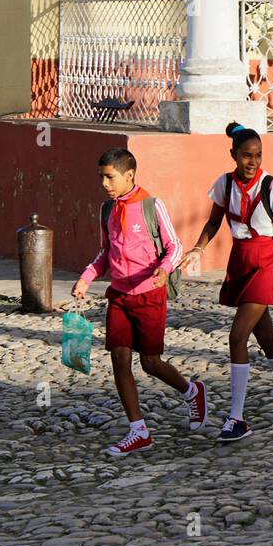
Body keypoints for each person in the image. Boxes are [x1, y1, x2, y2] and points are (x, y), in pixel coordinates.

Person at [179, 123, 273, 443]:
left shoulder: (272, 187)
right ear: (233, 155)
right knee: (267, 339)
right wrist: (198, 248)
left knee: (236, 336)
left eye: (257, 155)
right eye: (246, 156)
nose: (252, 162)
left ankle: (236, 417)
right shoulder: (224, 184)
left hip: (266, 263)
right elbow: (214, 222)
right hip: (240, 261)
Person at [72, 148, 206, 456]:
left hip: (150, 295)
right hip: (119, 296)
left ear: (129, 175)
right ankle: (138, 430)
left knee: (150, 362)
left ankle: (191, 391)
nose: (105, 183)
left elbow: (174, 245)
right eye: (101, 177)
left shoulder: (151, 205)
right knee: (120, 359)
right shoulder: (106, 210)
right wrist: (86, 277)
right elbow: (104, 253)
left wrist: (164, 268)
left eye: (110, 177)